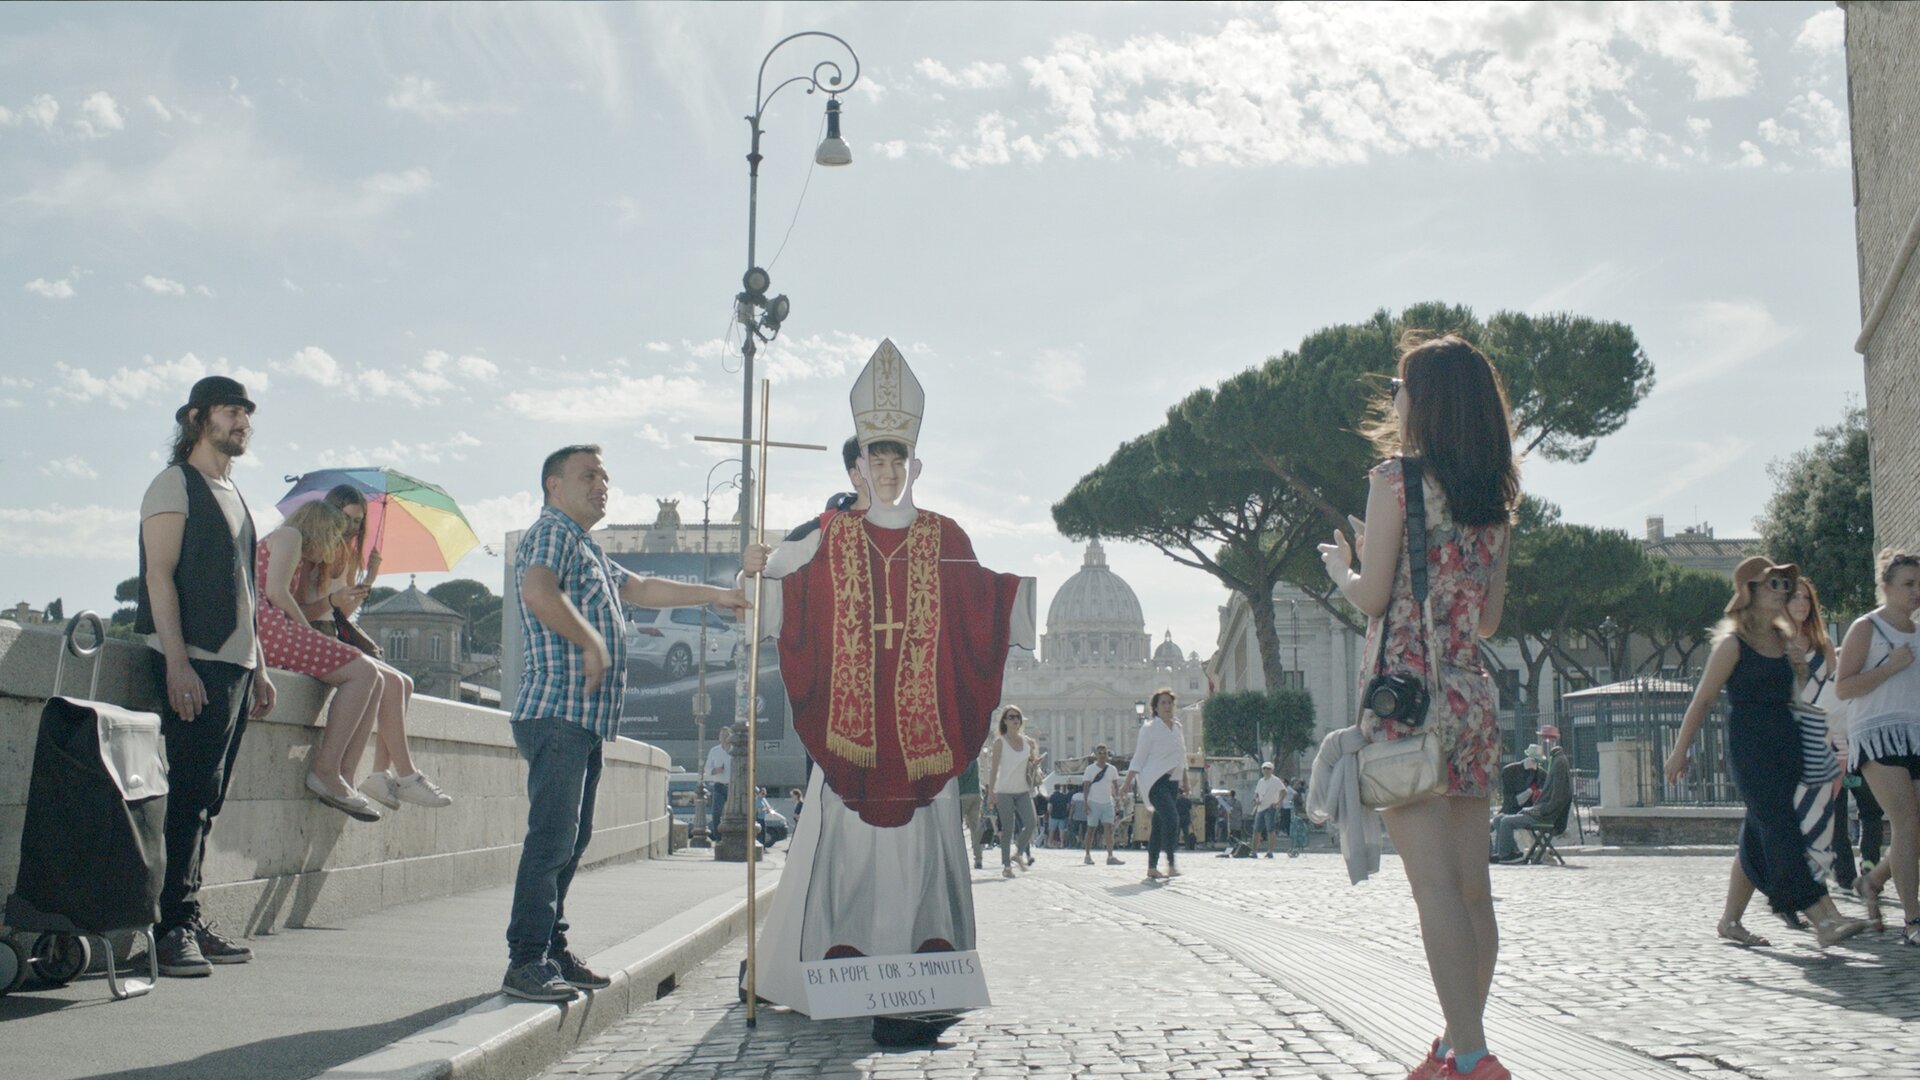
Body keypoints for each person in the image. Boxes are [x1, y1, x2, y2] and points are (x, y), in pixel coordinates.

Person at [745, 342, 1036, 1045]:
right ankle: (842, 967)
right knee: (844, 855)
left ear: (913, 467)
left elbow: (982, 601)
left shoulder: (946, 535)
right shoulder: (831, 534)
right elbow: (783, 589)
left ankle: (924, 970)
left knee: (924, 858)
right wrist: (764, 567)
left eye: (896, 461)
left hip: (923, 732)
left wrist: (1018, 601)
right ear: (859, 469)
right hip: (853, 739)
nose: (885, 471)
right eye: (874, 461)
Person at [1315, 333, 1517, 1080]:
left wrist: (1346, 565)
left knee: (1432, 888)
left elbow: (1373, 598)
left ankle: (1470, 1058)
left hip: (1403, 700)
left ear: (1424, 401)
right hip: (1470, 695)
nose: (1394, 397)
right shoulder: (1495, 499)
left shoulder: (1394, 480)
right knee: (1472, 890)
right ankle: (1456, 1043)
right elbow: (1488, 618)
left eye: (1401, 385)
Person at [503, 444, 761, 1002]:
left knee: (571, 840)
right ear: (554, 485)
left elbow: (642, 589)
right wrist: (590, 639)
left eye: (605, 476)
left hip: (583, 718)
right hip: (556, 711)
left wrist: (719, 595)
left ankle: (551, 949)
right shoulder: (551, 533)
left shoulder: (584, 546)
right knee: (552, 839)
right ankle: (524, 960)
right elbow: (536, 590)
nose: (602, 484)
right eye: (589, 475)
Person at [136, 375, 276, 977]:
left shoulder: (233, 492)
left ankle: (186, 917)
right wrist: (176, 662)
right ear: (198, 418)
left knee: (208, 799)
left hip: (236, 665)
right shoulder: (174, 484)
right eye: (231, 411)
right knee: (188, 795)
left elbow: (245, 591)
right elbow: (158, 576)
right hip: (195, 659)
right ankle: (169, 932)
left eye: (247, 412)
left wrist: (261, 665)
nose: (243, 421)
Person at [1667, 558, 1866, 952]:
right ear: (1749, 592)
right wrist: (1679, 752)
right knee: (1780, 827)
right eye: (1773, 583)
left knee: (1758, 835)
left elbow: (1793, 697)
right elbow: (1703, 699)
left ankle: (1730, 920)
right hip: (1751, 749)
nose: (1782, 590)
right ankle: (1820, 915)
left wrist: (1799, 672)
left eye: (1784, 583)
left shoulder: (1785, 640)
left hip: (1787, 745)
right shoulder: (1731, 644)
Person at [314, 485, 451, 811]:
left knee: (405, 682)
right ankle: (406, 775)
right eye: (346, 519)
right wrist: (336, 598)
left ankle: (379, 773)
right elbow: (315, 608)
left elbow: (340, 615)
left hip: (332, 634)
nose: (352, 528)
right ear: (331, 513)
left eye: (359, 522)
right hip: (312, 636)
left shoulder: (348, 558)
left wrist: (370, 576)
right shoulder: (317, 551)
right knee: (388, 680)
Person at [258, 502, 387, 821]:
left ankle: (343, 776)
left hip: (265, 627)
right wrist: (305, 630)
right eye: (334, 537)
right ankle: (327, 772)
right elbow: (275, 591)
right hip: (267, 627)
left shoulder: (294, 548)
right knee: (363, 672)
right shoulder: (289, 536)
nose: (335, 548)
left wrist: (369, 573)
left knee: (375, 678)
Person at [1835, 549, 1920, 944]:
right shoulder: (1866, 627)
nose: (1916, 592)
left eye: (1919, 585)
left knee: (1914, 829)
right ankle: (1913, 921)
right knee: (1905, 822)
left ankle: (1872, 880)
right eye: (1908, 584)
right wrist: (1890, 667)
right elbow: (1844, 686)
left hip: (1915, 736)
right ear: (1885, 588)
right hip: (1876, 735)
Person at [1122, 688, 1188, 882]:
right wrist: (1127, 782)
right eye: (1163, 703)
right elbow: (1139, 757)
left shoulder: (1178, 727)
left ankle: (1152, 867)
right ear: (1156, 708)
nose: (1167, 706)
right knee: (1172, 818)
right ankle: (1171, 863)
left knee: (1159, 825)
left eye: (1170, 703)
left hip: (1172, 781)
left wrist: (1184, 779)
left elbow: (1181, 754)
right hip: (1154, 782)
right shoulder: (1149, 728)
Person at [1490, 726, 1570, 864]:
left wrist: (1538, 810)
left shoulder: (1557, 764)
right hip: (1537, 811)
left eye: (1547, 740)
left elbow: (1556, 799)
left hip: (1544, 815)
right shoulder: (1553, 762)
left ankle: (1506, 854)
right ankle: (1509, 852)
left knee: (1506, 821)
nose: (1545, 742)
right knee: (1499, 819)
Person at [987, 708, 1041, 878]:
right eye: (1011, 717)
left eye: (1018, 717)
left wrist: (1035, 758)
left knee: (1031, 823)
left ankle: (1018, 853)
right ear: (1005, 721)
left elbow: (1032, 763)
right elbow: (994, 768)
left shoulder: (1028, 742)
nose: (1015, 720)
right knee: (1008, 829)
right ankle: (1006, 865)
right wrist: (991, 793)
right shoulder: (1000, 742)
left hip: (1023, 790)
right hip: (1004, 791)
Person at [1081, 745, 1125, 865]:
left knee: (1109, 830)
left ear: (1107, 755)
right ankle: (1087, 855)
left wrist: (1117, 800)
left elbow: (1115, 785)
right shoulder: (1090, 769)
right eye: (1100, 753)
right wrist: (1085, 803)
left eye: (1104, 753)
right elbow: (1085, 787)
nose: (1102, 755)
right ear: (1096, 755)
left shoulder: (1112, 769)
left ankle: (1110, 856)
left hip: (1107, 802)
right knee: (1091, 830)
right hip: (1093, 802)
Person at [703, 726, 733, 840]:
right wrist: (715, 770)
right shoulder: (714, 751)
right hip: (719, 786)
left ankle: (731, 837)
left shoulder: (736, 751)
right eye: (721, 735)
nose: (724, 737)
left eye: (726, 735)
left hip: (732, 787)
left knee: (733, 815)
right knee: (716, 813)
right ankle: (718, 839)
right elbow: (707, 769)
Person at [1253, 762, 1288, 858]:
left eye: (1268, 768)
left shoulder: (1275, 780)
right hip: (1260, 808)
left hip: (1270, 807)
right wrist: (1257, 800)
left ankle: (1270, 851)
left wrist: (1278, 802)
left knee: (1270, 829)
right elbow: (1256, 793)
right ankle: (1254, 851)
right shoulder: (1260, 781)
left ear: (1272, 770)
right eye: (1264, 768)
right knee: (1257, 830)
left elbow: (1284, 791)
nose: (1266, 770)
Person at [958, 759, 984, 870]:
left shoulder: (961, 758)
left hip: (962, 795)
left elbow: (959, 778)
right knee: (975, 829)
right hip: (976, 794)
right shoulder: (975, 758)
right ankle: (978, 858)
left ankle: (958, 857)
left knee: (957, 829)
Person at [1287, 779, 1310, 857]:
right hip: (1295, 811)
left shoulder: (1299, 791)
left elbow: (1302, 799)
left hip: (1299, 810)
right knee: (1295, 826)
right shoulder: (1293, 791)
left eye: (1298, 783)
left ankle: (1299, 844)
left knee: (1301, 825)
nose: (1297, 785)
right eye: (1296, 783)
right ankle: (1296, 845)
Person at [1048, 782, 1073, 849]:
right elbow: (1068, 806)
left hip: (1054, 815)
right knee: (1061, 830)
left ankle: (1050, 843)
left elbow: (1050, 807)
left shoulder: (1052, 796)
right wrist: (1065, 812)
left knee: (1052, 830)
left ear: (1054, 788)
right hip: (1062, 816)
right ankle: (1062, 843)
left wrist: (1050, 814)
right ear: (1060, 788)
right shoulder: (1064, 796)